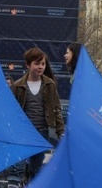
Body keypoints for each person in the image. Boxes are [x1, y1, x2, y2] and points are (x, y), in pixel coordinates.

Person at [8, 47, 65, 187]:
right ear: (28, 65)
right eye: (37, 64)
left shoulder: (50, 84)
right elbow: (12, 111)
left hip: (42, 132)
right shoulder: (18, 85)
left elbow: (56, 109)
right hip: (23, 132)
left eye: (43, 64)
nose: (40, 67)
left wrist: (61, 131)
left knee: (36, 166)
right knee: (17, 166)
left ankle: (29, 178)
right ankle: (14, 182)